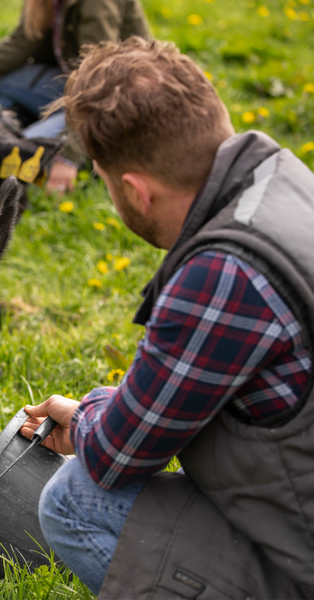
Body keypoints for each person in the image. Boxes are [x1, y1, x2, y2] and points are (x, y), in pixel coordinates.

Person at [20, 37, 314, 597]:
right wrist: (100, 412)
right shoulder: (283, 180)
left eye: (104, 183)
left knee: (74, 500)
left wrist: (86, 420)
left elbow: (117, 457)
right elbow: (175, 403)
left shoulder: (223, 275)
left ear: (133, 189)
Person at [0, 0, 151, 194]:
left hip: (115, 105)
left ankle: (82, 150)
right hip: (68, 87)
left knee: (18, 153)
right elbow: (22, 43)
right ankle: (22, 123)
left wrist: (68, 156)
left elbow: (101, 85)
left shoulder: (99, 4)